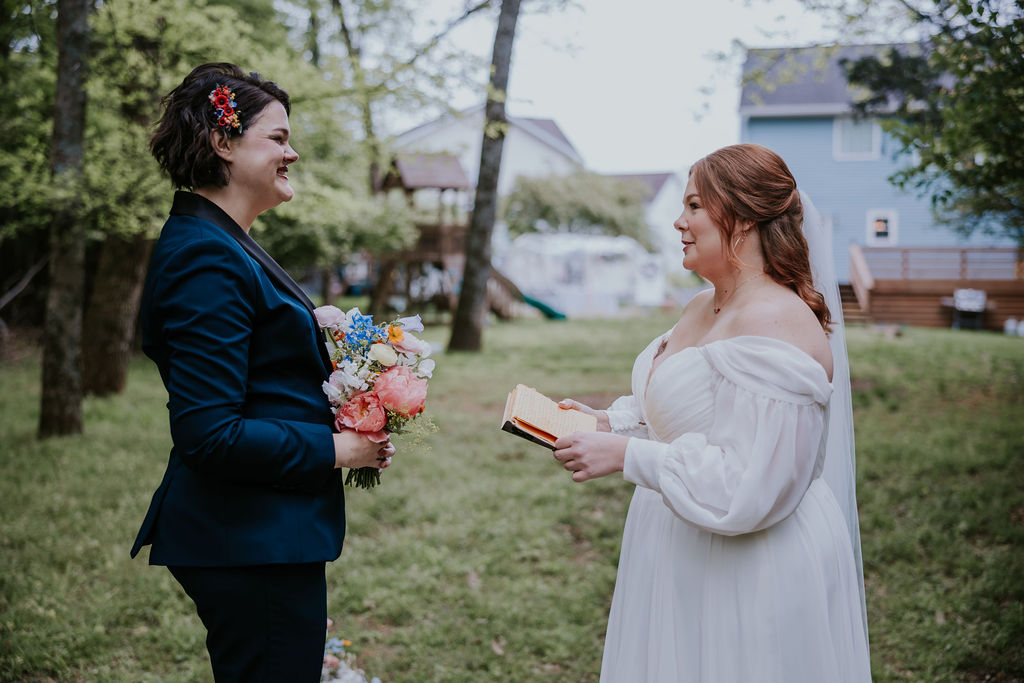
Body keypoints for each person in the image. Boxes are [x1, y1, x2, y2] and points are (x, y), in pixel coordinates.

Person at [554, 144, 871, 682]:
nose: (679, 221)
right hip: (677, 542)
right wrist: (608, 422)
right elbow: (685, 409)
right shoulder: (702, 304)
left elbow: (749, 483)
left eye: (695, 206)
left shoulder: (777, 320)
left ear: (743, 219)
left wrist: (629, 456)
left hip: (750, 564)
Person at [129, 62, 395, 682]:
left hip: (262, 533)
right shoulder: (204, 256)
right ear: (223, 142)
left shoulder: (229, 241)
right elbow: (209, 433)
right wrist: (340, 449)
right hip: (245, 540)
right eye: (276, 138)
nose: (292, 152)